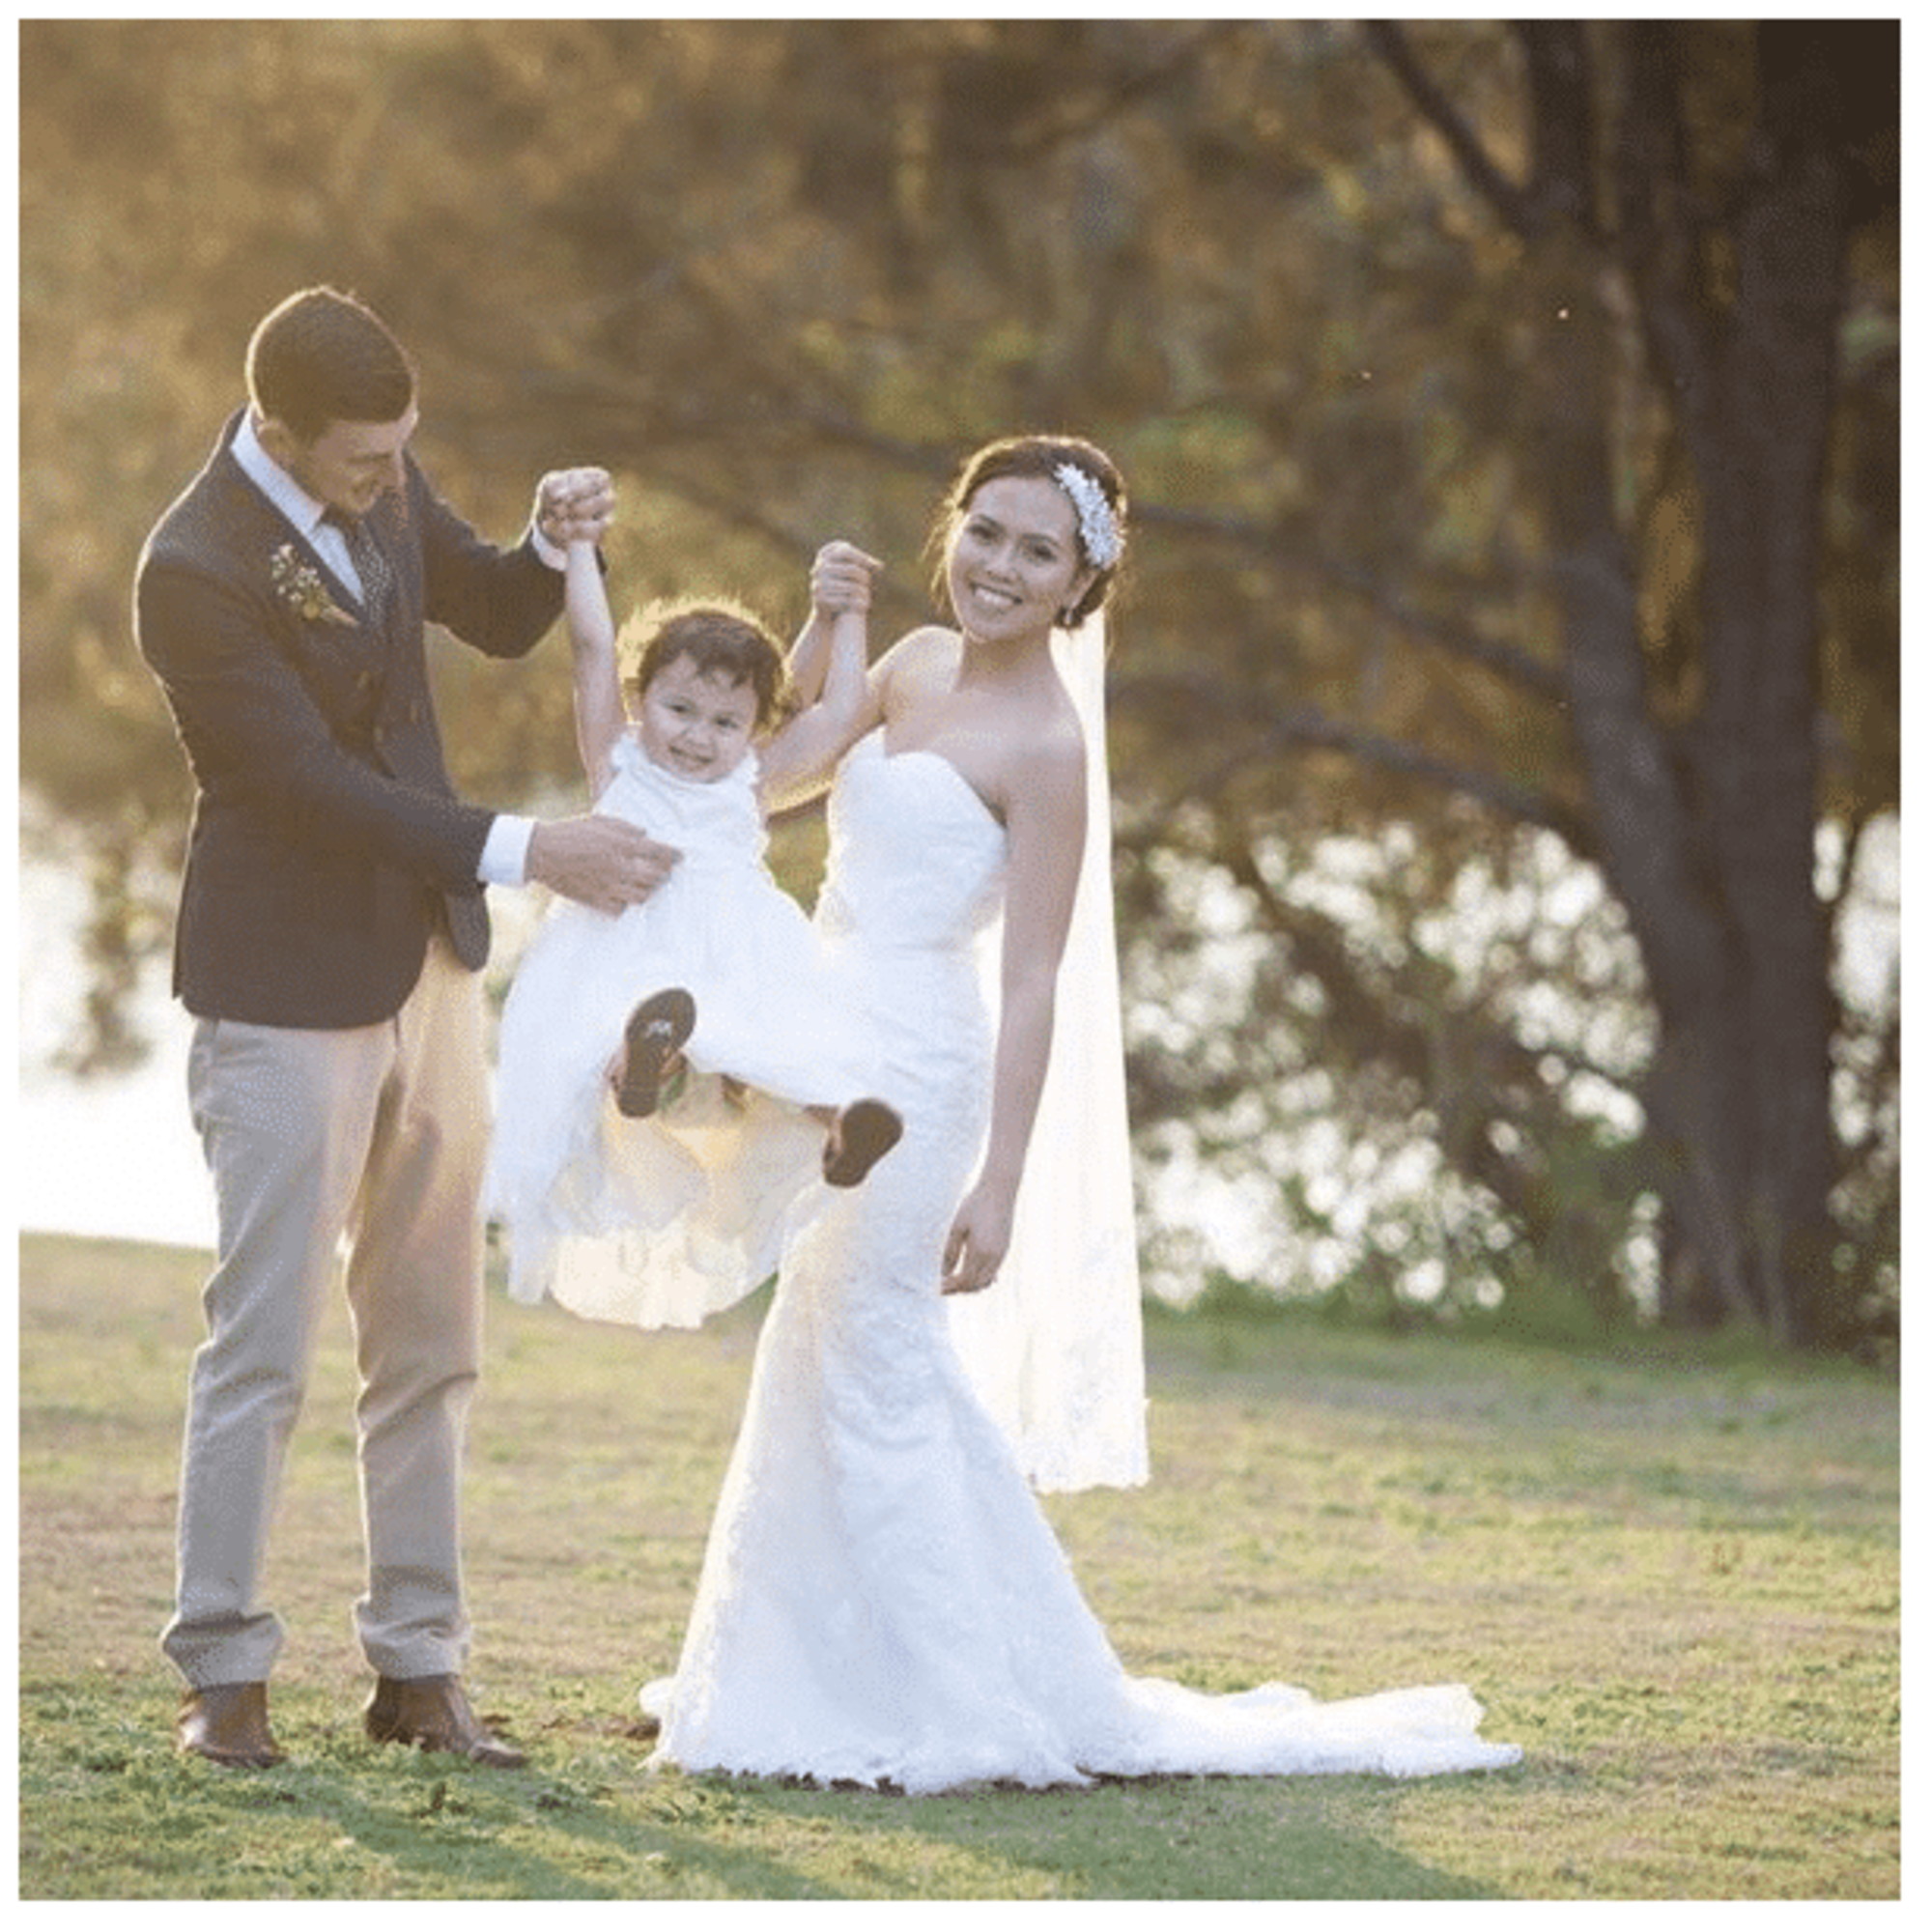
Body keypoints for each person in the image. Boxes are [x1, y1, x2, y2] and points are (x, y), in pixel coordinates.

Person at [637, 435, 1522, 1790]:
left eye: (1036, 550)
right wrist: (834, 620)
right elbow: (775, 775)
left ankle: (968, 1706)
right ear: (953, 531)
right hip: (820, 1034)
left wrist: (1000, 1179)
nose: (998, 565)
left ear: (1080, 585)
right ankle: (802, 1675)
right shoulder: (916, 663)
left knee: (874, 1357)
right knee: (821, 1349)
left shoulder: (1049, 747)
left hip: (917, 1073)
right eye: (984, 531)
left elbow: (1037, 973)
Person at [133, 285, 673, 1771]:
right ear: (275, 429)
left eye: (402, 454)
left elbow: (492, 614)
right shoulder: (189, 569)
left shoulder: (381, 475)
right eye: (366, 461)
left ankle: (419, 1672)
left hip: (431, 974)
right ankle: (223, 1677)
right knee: (266, 1342)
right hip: (283, 987)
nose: (389, 479)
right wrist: (525, 847)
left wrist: (558, 543)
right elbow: (306, 787)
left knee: (432, 1335)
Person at [485, 534, 904, 1329]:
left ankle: (844, 1126)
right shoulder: (617, 762)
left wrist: (849, 613)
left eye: (724, 722)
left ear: (752, 729)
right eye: (679, 710)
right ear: (640, 701)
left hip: (731, 955)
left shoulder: (752, 780)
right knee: (654, 1020)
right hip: (626, 950)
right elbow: (589, 645)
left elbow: (843, 712)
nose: (696, 736)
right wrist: (578, 549)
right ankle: (643, 1065)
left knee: (793, 1044)